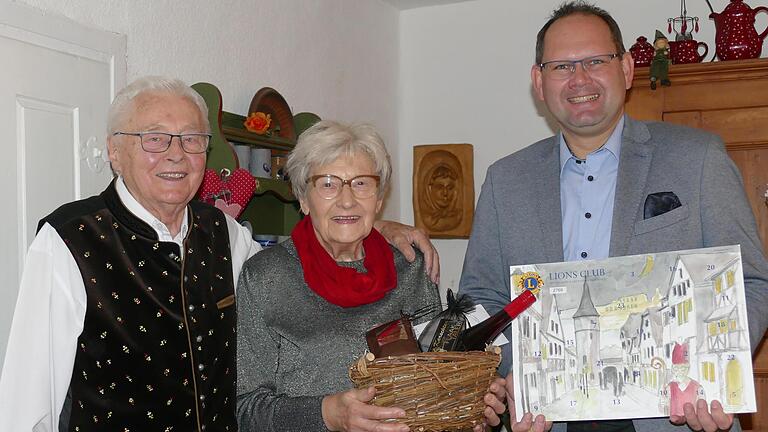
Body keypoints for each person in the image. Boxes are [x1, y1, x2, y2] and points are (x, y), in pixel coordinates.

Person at [0, 77, 439, 431]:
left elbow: (306, 256)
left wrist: (370, 224)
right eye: (155, 139)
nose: (176, 154)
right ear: (115, 151)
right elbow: (27, 403)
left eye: (192, 139)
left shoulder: (222, 231)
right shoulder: (70, 239)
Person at [458, 2, 768, 432]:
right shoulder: (504, 180)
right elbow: (479, 299)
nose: (579, 78)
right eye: (562, 65)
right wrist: (519, 375)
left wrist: (712, 370)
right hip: (546, 418)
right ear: (538, 81)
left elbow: (750, 283)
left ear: (625, 68)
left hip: (676, 419)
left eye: (595, 61)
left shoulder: (698, 159)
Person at [236, 120, 506, 432]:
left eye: (362, 183)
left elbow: (438, 377)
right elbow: (246, 409)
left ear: (378, 199)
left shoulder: (411, 266)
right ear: (304, 199)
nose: (347, 200)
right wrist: (327, 414)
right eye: (328, 184)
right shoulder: (266, 277)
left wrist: (469, 408)